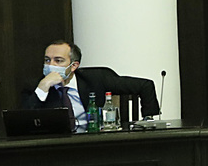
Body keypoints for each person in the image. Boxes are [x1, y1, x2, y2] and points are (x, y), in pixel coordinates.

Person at [20, 40, 161, 127]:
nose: (51, 65)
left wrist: (148, 120)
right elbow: (23, 122)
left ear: (74, 66)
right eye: (47, 60)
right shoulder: (35, 86)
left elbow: (145, 85)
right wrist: (42, 88)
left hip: (94, 143)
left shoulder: (96, 79)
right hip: (56, 149)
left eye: (58, 61)